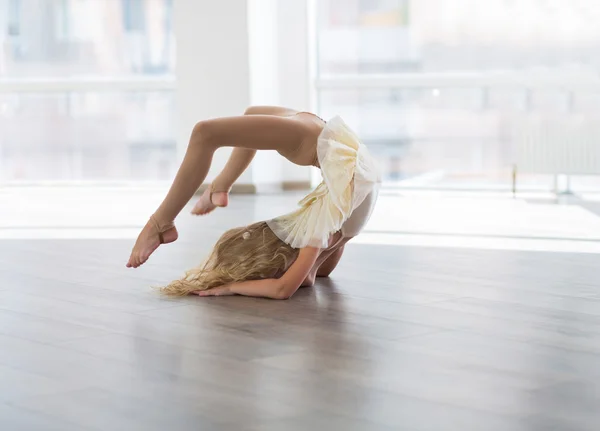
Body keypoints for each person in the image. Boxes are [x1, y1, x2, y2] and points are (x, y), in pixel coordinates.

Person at [127, 106, 380, 297]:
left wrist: (231, 287)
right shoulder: (319, 232)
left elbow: (307, 277)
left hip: (331, 143)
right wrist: (231, 287)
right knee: (204, 133)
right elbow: (287, 286)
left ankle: (204, 197)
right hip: (317, 142)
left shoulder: (325, 238)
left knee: (224, 126)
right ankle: (166, 220)